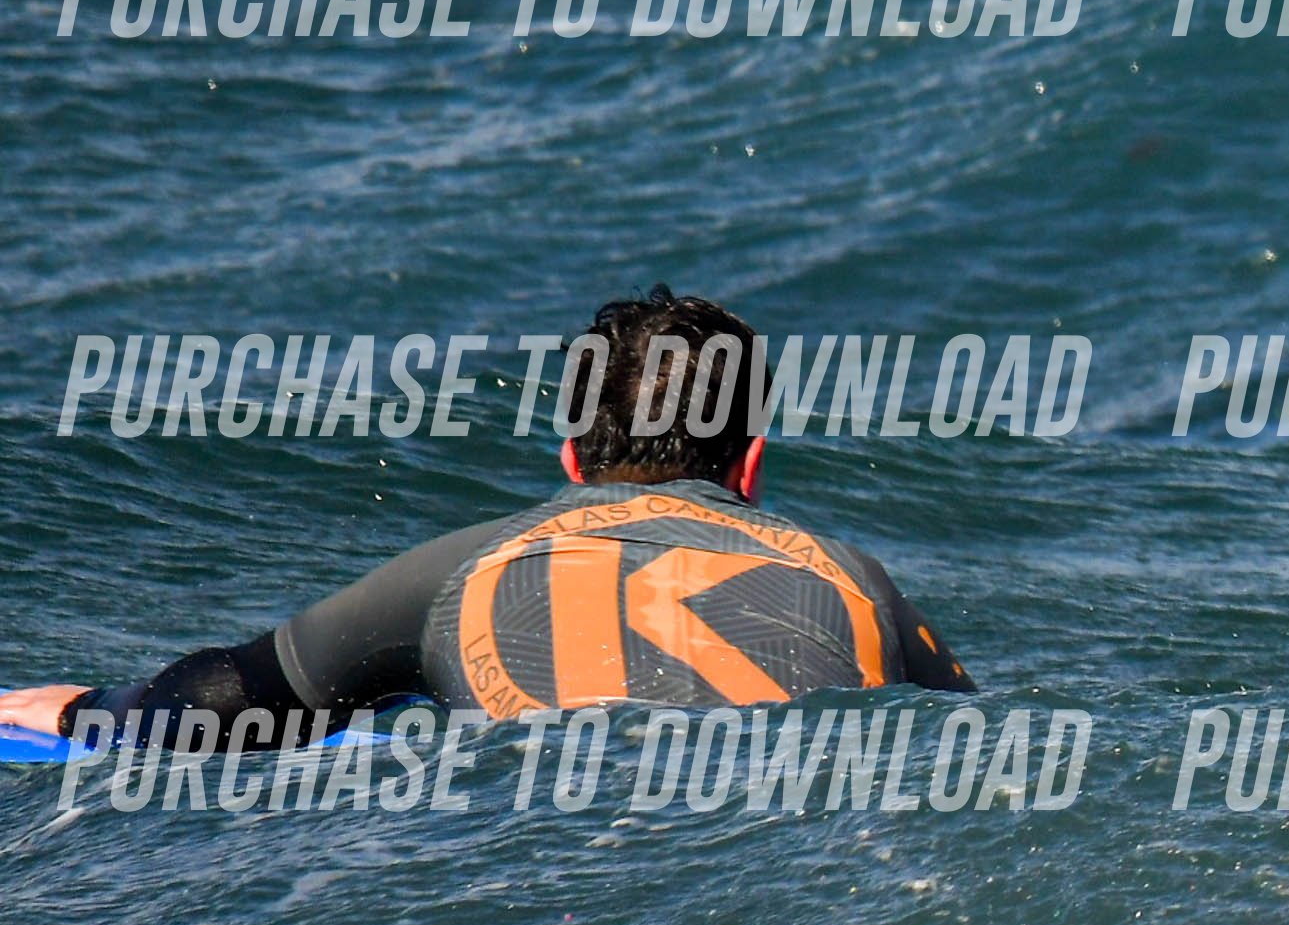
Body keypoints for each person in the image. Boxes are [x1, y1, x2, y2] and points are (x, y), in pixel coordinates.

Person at [2, 288, 968, 752]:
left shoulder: (458, 575)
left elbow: (223, 701)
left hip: (547, 868)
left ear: (572, 458)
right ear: (749, 464)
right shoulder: (855, 580)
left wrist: (86, 710)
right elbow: (973, 739)